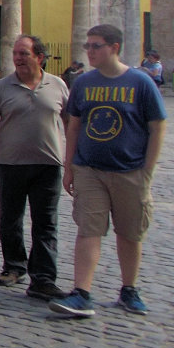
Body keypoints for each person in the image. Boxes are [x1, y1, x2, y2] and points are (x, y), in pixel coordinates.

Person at [50, 24, 166, 318]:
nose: (89, 51)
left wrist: (147, 170)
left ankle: (129, 289)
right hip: (90, 169)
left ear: (114, 48)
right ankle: (81, 292)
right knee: (88, 230)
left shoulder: (140, 83)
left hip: (130, 170)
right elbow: (74, 125)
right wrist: (70, 165)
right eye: (88, 45)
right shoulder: (84, 83)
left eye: (95, 46)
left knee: (130, 233)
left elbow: (157, 126)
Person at [0, 35, 68, 300]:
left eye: (23, 53)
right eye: (15, 53)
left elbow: (71, 123)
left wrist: (72, 161)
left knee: (46, 223)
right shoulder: (3, 87)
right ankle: (14, 266)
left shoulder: (58, 85)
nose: (17, 58)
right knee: (10, 220)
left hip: (48, 165)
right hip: (10, 164)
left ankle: (43, 278)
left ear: (39, 57)